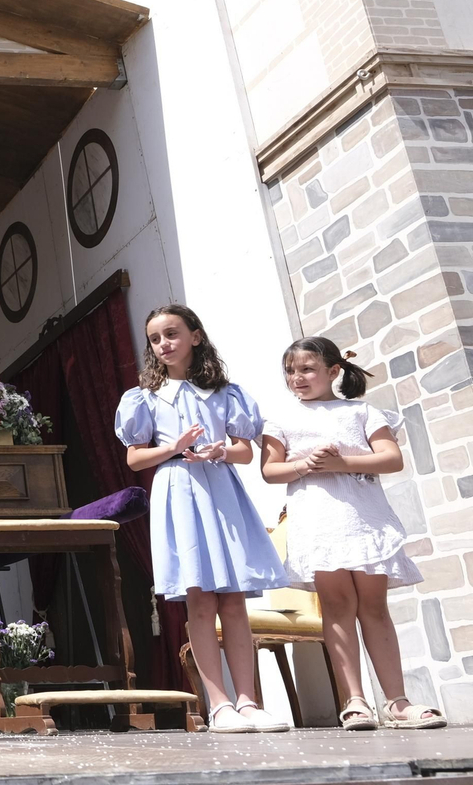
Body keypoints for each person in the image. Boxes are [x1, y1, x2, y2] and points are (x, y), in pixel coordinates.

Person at [113, 304, 289, 735]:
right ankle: (220, 705)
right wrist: (175, 447)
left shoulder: (225, 392)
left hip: (221, 488)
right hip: (178, 491)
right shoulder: (145, 398)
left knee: (232, 599)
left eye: (171, 334)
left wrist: (220, 451)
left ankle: (248, 702)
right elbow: (135, 459)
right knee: (200, 599)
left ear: (195, 335)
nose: (163, 345)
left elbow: (245, 450)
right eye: (155, 339)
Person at [259, 337, 445, 731]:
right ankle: (355, 701)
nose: (297, 377)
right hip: (318, 522)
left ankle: (397, 702)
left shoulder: (361, 411)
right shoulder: (280, 419)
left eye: (307, 369)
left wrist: (342, 462)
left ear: (333, 371)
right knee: (338, 607)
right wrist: (307, 465)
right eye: (291, 371)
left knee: (374, 608)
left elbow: (391, 458)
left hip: (365, 520)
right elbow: (270, 470)